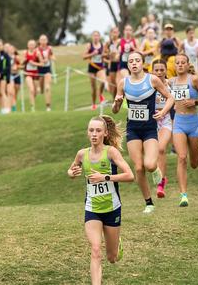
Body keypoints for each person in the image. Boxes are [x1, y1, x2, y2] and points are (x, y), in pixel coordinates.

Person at [67, 116, 134, 285]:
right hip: (92, 209)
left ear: (105, 133)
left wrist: (105, 177)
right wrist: (71, 173)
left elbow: (130, 175)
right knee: (96, 249)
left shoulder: (111, 152)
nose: (94, 134)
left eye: (98, 130)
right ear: (87, 133)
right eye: (91, 130)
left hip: (112, 209)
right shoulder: (82, 154)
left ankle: (116, 244)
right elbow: (72, 168)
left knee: (111, 257)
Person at [112, 52, 173, 214]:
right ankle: (149, 203)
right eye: (131, 61)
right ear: (128, 65)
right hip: (133, 129)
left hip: (150, 129)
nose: (134, 63)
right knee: (138, 168)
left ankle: (157, 171)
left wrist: (163, 112)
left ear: (142, 63)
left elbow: (170, 98)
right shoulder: (123, 83)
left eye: (137, 60)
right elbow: (116, 110)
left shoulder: (152, 79)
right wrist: (117, 103)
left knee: (150, 165)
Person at [170, 54, 198, 206]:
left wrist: (195, 101)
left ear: (188, 65)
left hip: (193, 123)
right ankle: (183, 195)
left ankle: (196, 145)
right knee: (181, 157)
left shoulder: (194, 80)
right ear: (174, 66)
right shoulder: (171, 82)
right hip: (178, 123)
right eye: (177, 63)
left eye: (183, 63)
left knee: (194, 163)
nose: (180, 65)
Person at [151, 59, 172, 198]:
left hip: (166, 121)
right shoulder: (149, 85)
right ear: (152, 71)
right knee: (151, 156)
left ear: (166, 70)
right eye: (156, 70)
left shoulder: (171, 84)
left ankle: (161, 183)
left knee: (161, 149)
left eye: (161, 70)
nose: (159, 73)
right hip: (151, 122)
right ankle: (158, 174)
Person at [84, 31, 107, 110]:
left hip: (100, 67)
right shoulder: (89, 45)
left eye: (97, 36)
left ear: (99, 37)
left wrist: (105, 56)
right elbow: (84, 56)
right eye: (94, 36)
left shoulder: (103, 45)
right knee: (93, 87)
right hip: (92, 68)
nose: (96, 37)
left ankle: (100, 95)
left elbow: (104, 55)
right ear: (92, 37)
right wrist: (92, 54)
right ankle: (93, 103)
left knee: (103, 81)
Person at [37, 34, 55, 112]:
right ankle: (40, 90)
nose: (43, 41)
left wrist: (51, 58)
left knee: (47, 88)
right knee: (41, 90)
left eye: (45, 39)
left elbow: (53, 57)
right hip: (39, 71)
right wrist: (41, 60)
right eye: (42, 40)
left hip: (47, 70)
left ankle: (48, 106)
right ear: (39, 41)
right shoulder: (37, 50)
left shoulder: (49, 49)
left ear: (47, 41)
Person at [24, 39, 41, 112]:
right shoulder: (25, 52)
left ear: (35, 45)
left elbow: (42, 64)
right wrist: (24, 60)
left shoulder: (37, 53)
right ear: (27, 46)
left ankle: (32, 101)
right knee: (31, 90)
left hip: (36, 74)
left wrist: (34, 63)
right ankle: (32, 107)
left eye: (32, 45)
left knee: (35, 92)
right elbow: (21, 63)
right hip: (28, 74)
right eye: (30, 45)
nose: (31, 46)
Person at [105, 27, 121, 101]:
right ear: (111, 33)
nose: (115, 34)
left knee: (119, 83)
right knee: (113, 84)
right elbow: (103, 54)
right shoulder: (108, 43)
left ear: (118, 33)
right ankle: (115, 101)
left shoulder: (121, 41)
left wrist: (119, 54)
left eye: (116, 32)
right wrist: (109, 54)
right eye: (114, 32)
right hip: (112, 65)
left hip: (120, 63)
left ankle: (123, 100)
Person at [6, 43, 21, 112]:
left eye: (12, 49)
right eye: (10, 49)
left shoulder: (16, 57)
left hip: (17, 75)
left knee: (16, 92)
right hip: (10, 76)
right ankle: (11, 108)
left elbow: (22, 66)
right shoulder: (5, 57)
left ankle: (13, 104)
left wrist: (17, 67)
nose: (11, 50)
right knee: (11, 92)